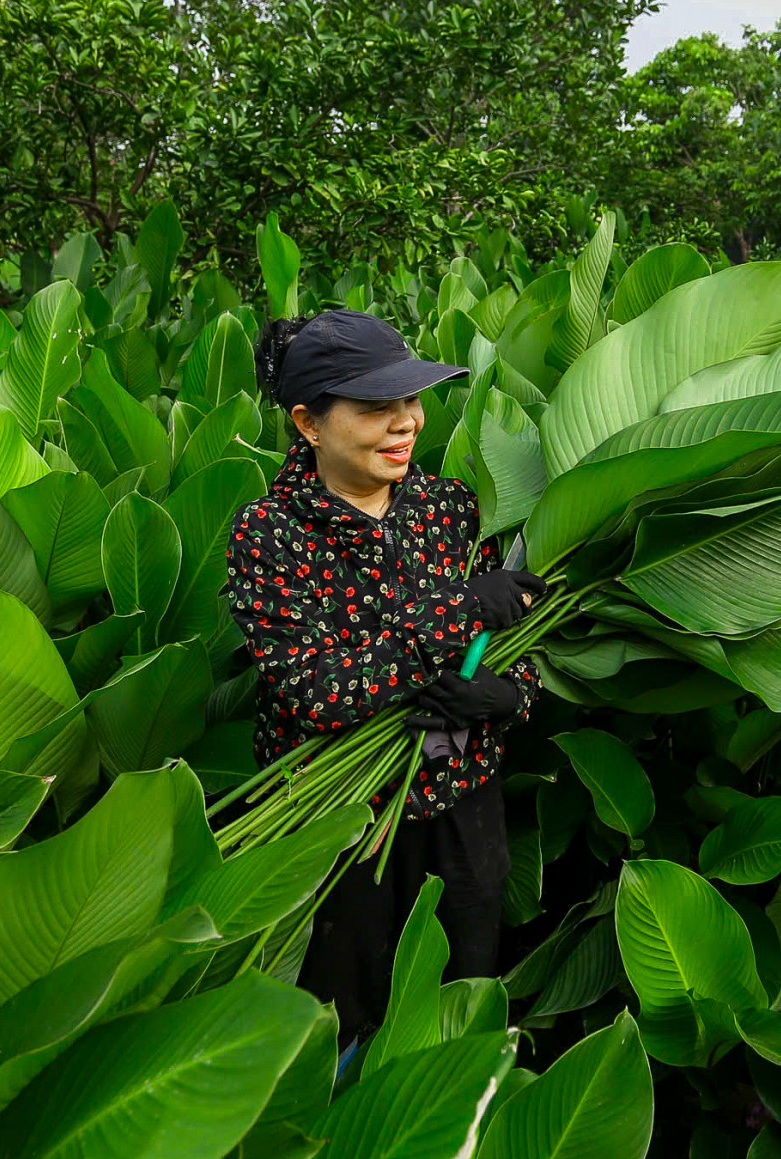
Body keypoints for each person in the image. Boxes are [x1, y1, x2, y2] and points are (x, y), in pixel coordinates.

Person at [224, 307, 549, 1043]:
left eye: (411, 400)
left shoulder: (451, 508)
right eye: (376, 407)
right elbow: (320, 690)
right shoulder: (269, 533)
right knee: (343, 1017)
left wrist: (510, 696)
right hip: (342, 818)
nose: (406, 422)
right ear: (309, 423)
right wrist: (457, 611)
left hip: (463, 802)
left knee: (456, 999)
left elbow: (514, 638)